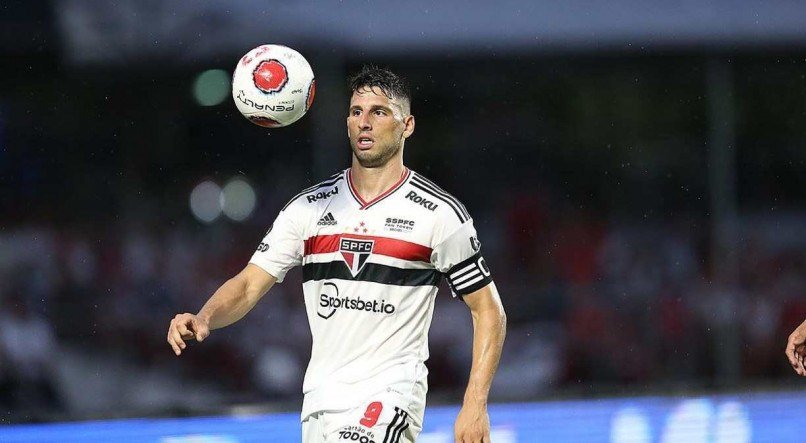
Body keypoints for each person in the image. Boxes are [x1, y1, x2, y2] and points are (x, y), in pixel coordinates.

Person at [167, 65, 507, 443]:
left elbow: (488, 310)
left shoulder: (439, 215)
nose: (364, 122)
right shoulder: (308, 209)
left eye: (378, 112)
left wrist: (475, 403)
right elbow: (249, 285)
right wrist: (205, 316)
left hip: (390, 395)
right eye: (356, 111)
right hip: (320, 401)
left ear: (407, 125)